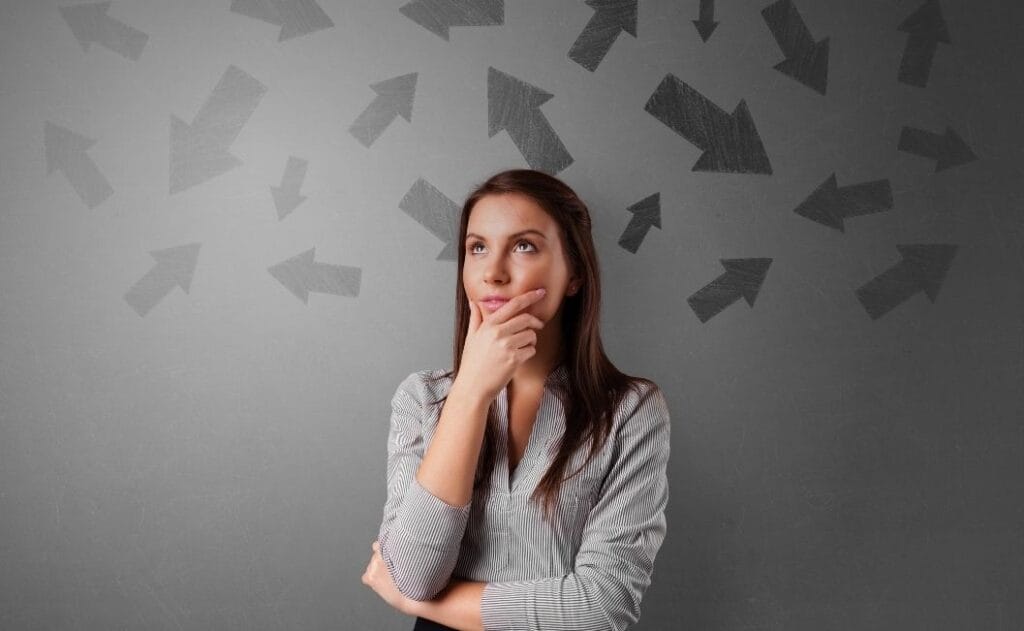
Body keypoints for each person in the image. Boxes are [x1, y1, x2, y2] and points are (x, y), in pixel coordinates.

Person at [361, 169, 671, 630]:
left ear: (574, 274)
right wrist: (470, 393)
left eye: (524, 246)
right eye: (477, 248)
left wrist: (426, 607)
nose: (493, 273)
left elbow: (602, 608)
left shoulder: (631, 411)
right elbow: (412, 575)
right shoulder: (422, 398)